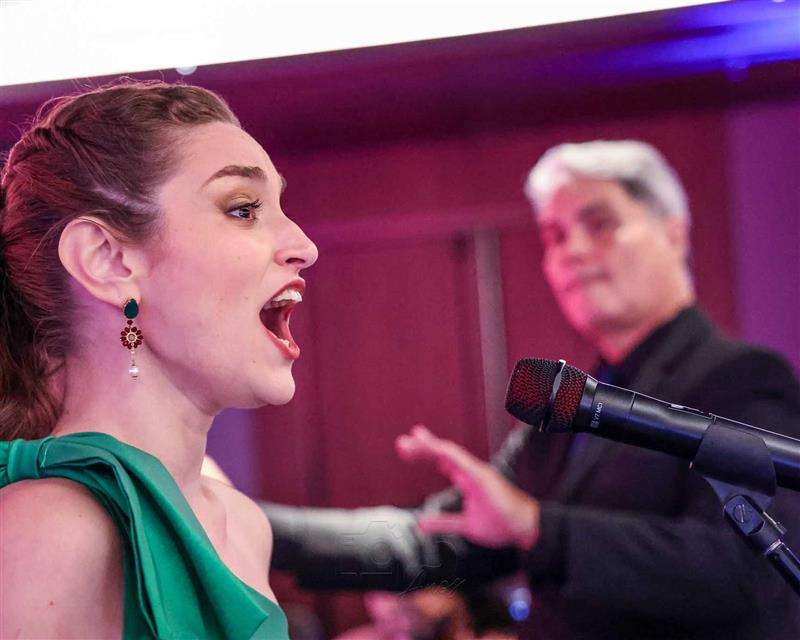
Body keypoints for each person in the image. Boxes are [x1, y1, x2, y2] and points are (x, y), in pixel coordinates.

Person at [263, 140, 800, 639]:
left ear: (674, 233)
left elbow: (744, 571)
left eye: (600, 223)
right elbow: (432, 538)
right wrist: (259, 530)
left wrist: (538, 526)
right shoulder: (567, 405)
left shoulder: (742, 378)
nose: (574, 251)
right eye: (555, 236)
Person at [0, 80, 318, 638]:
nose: (304, 246)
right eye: (243, 209)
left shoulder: (244, 526)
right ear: (108, 261)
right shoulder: (47, 531)